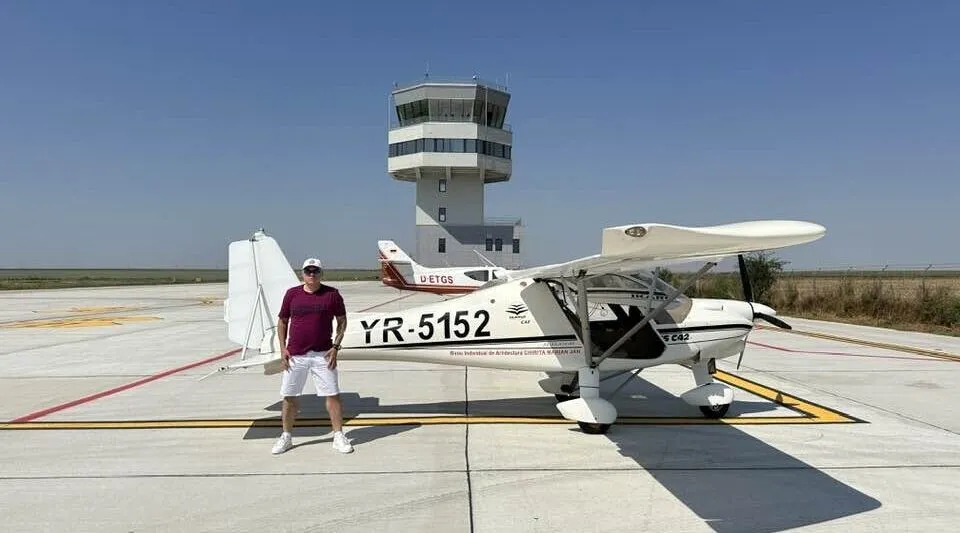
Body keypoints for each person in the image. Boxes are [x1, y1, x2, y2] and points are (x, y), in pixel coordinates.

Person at [271, 257, 353, 455]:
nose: (312, 274)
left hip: (323, 354)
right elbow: (282, 322)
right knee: (289, 397)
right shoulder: (292, 294)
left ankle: (338, 435)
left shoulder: (332, 295)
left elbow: (342, 321)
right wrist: (283, 348)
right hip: (296, 355)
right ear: (303, 274)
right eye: (308, 271)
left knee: (332, 395)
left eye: (316, 271)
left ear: (321, 274)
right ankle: (286, 436)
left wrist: (335, 346)